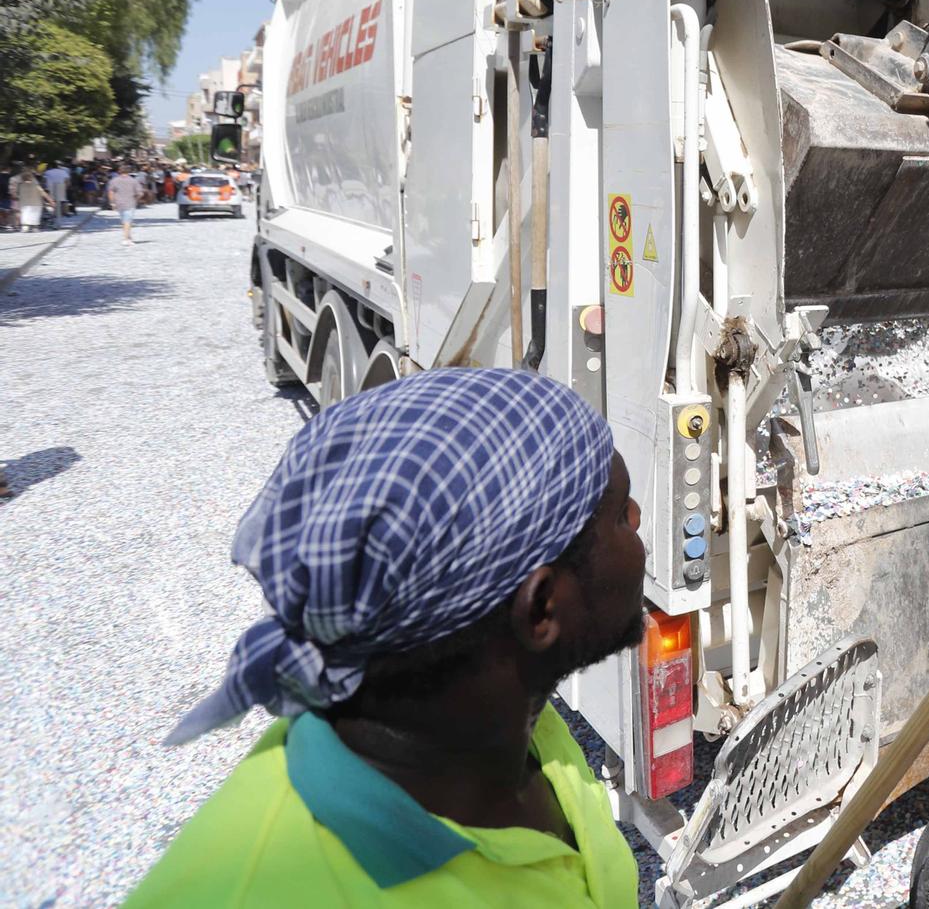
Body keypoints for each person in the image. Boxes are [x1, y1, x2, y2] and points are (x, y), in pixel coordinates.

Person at [128, 368, 645, 907]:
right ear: (540, 610)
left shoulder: (512, 717)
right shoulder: (248, 893)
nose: (636, 518)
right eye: (618, 516)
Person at [105, 164, 142, 244]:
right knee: (127, 221)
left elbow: (111, 192)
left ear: (119, 171)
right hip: (130, 202)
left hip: (119, 203)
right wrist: (136, 200)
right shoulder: (133, 181)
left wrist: (112, 203)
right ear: (129, 171)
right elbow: (140, 193)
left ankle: (128, 236)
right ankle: (126, 239)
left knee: (124, 220)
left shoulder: (114, 180)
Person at [9, 164, 51, 232]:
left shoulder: (14, 178)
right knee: (32, 212)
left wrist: (15, 196)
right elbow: (40, 190)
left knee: (23, 212)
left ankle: (24, 226)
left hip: (22, 200)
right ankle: (33, 227)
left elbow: (13, 190)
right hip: (34, 201)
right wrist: (49, 200)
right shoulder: (32, 179)